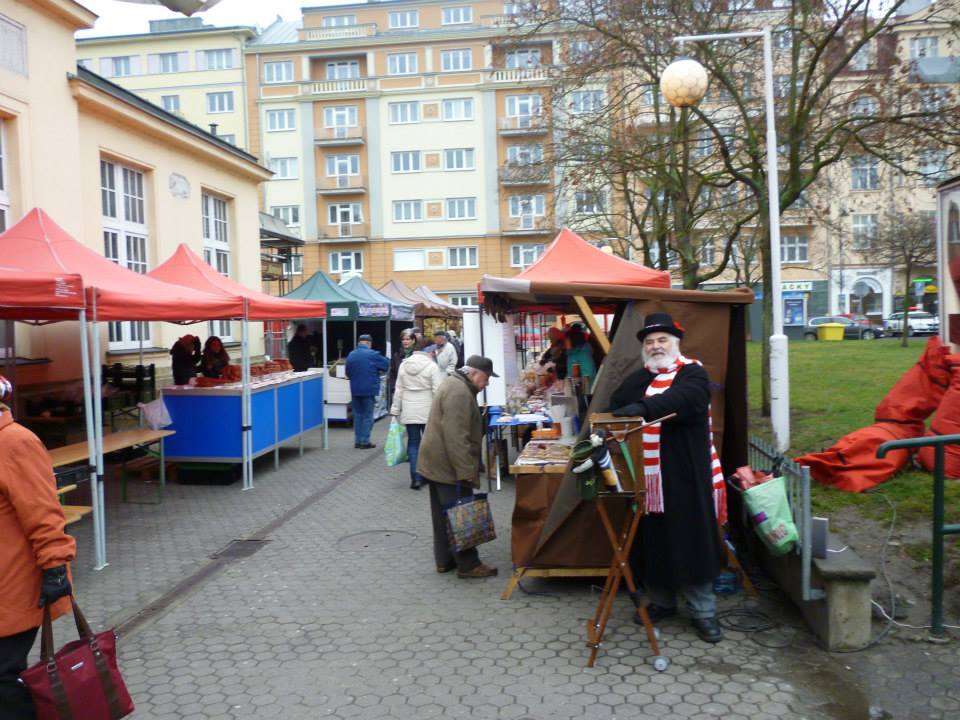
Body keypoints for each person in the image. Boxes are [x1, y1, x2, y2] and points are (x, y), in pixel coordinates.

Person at [608, 312, 726, 643]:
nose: (656, 346)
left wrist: (643, 409)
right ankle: (662, 602)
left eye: (662, 340)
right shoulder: (637, 380)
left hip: (685, 474)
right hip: (649, 479)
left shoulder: (692, 373)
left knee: (693, 540)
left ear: (675, 344)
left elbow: (686, 400)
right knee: (654, 540)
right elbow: (617, 404)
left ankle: (704, 611)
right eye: (649, 342)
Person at [0, 375, 76, 719]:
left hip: (14, 584)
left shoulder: (15, 442)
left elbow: (44, 512)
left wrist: (55, 566)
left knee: (4, 677)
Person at [417, 356, 499, 578]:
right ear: (473, 373)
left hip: (436, 461)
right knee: (460, 513)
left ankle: (444, 560)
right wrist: (465, 472)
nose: (487, 383)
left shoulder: (456, 384)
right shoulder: (460, 392)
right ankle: (468, 564)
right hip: (447, 464)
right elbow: (456, 436)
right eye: (486, 378)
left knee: (443, 513)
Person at [390, 342, 443, 490]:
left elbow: (399, 389)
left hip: (409, 409)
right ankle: (428, 475)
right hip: (428, 410)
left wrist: (395, 410)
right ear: (429, 351)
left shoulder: (404, 365)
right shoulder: (432, 366)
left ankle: (416, 478)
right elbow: (437, 391)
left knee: (413, 443)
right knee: (429, 444)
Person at [345, 334, 389, 449]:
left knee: (357, 416)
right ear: (369, 343)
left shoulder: (351, 354)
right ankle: (364, 441)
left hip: (355, 390)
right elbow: (386, 365)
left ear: (359, 343)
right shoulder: (373, 354)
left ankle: (357, 441)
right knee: (367, 416)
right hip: (369, 390)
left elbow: (347, 372)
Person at [389, 328, 418, 397]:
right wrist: (393, 388)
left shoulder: (417, 355)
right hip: (400, 390)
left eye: (407, 339)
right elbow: (392, 373)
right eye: (403, 339)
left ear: (413, 341)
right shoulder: (396, 355)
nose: (405, 341)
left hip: (414, 390)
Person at [565, 323, 597, 387]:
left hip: (585, 389)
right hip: (577, 387)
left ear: (572, 340)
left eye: (566, 340)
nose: (565, 343)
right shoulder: (572, 353)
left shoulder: (581, 354)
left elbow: (587, 376)